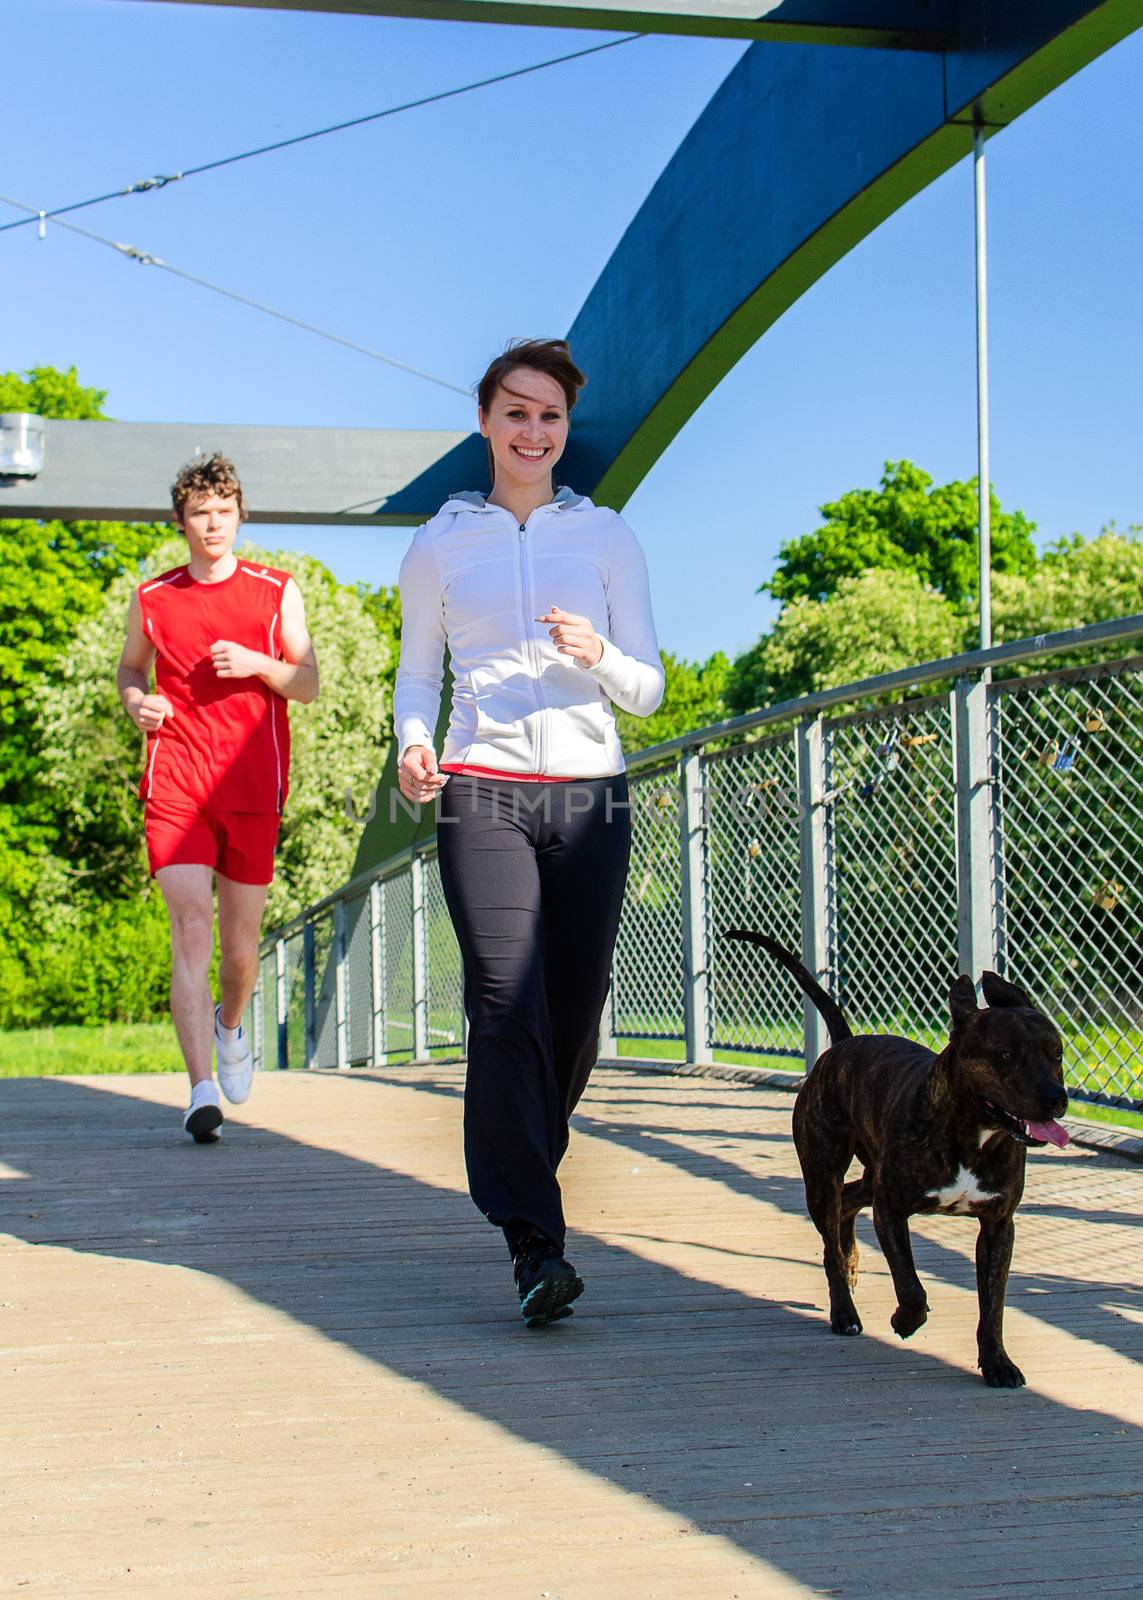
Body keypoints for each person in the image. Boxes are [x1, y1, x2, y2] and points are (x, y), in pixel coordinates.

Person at [394, 338, 665, 1325]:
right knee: (503, 997)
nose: (533, 431)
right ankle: (533, 1241)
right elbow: (419, 670)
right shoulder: (439, 543)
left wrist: (600, 655)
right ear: (486, 422)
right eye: (516, 412)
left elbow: (649, 687)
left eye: (550, 416)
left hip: (593, 794)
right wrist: (414, 744)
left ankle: (522, 1162)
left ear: (563, 429)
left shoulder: (606, 537)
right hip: (485, 790)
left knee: (573, 1008)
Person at [117, 453, 319, 1142]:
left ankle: (231, 1026)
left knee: (239, 951)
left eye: (224, 511)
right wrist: (136, 702)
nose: (213, 524)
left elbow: (308, 682)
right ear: (181, 522)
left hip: (252, 786)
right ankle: (200, 1088)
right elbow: (129, 669)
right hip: (175, 783)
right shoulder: (153, 598)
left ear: (239, 516)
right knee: (190, 930)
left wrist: (262, 664)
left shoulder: (275, 591)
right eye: (200, 513)